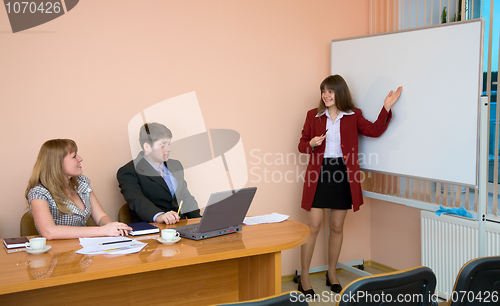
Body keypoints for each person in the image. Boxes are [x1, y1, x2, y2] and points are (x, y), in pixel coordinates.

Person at [297, 75, 402, 296]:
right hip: (320, 174)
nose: (326, 95)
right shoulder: (313, 116)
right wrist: (312, 144)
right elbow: (301, 144)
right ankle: (304, 278)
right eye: (323, 91)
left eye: (330, 91)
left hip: (343, 175)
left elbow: (374, 130)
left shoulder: (354, 115)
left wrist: (386, 108)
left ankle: (332, 274)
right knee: (313, 226)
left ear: (340, 93)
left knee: (336, 227)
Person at [26, 139, 132, 240]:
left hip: (85, 248)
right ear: (58, 163)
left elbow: (101, 217)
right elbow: (49, 232)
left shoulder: (82, 183)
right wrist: (102, 231)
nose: (80, 159)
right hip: (57, 254)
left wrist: (112, 227)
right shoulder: (39, 192)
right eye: (74, 156)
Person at [117, 122, 201, 224]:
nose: (169, 149)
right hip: (152, 228)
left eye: (169, 143)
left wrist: (200, 221)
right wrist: (159, 216)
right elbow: (137, 200)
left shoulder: (175, 165)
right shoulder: (129, 171)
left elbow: (185, 197)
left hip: (180, 226)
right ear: (147, 147)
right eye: (163, 144)